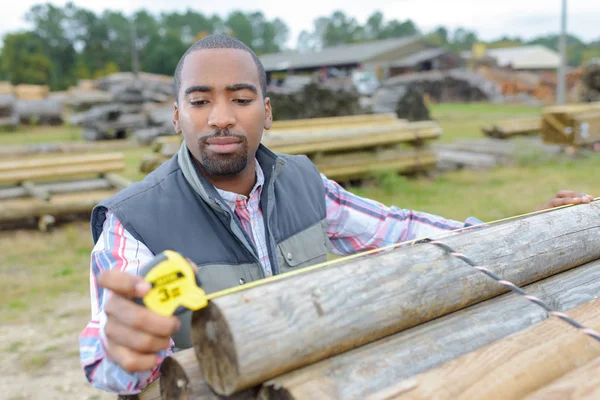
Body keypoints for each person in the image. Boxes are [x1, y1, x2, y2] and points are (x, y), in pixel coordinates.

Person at [78, 34, 594, 395]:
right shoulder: (134, 219)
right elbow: (103, 360)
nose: (221, 117)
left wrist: (527, 233)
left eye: (240, 98)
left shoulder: (304, 185)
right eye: (199, 101)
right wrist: (126, 347)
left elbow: (409, 232)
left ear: (267, 111)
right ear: (175, 115)